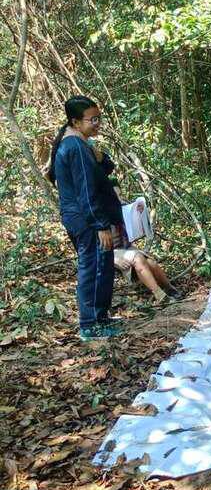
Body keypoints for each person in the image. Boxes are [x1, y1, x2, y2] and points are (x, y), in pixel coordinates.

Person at [47, 96, 120, 341]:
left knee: (101, 265)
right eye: (93, 120)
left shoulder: (80, 143)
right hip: (85, 219)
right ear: (75, 122)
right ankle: (89, 324)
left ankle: (100, 318)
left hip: (81, 216)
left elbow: (103, 170)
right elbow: (86, 191)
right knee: (94, 267)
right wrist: (100, 225)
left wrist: (99, 156)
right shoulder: (75, 147)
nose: (98, 124)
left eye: (99, 118)